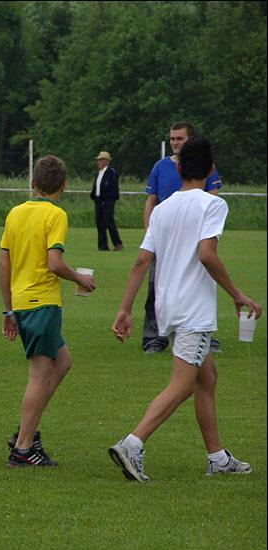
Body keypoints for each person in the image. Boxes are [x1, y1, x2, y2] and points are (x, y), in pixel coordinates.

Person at [108, 136, 261, 482]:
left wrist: (125, 309)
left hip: (168, 306)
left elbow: (141, 261)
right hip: (193, 310)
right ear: (211, 170)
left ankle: (217, 458)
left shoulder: (161, 209)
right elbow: (207, 254)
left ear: (177, 170)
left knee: (207, 377)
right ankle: (132, 443)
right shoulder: (213, 205)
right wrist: (237, 294)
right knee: (181, 386)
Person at [0, 155, 96, 467]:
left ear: (33, 183)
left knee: (62, 362)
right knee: (39, 374)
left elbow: (3, 262)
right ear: (63, 185)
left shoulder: (15, 213)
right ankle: (23, 449)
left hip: (22, 303)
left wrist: (8, 310)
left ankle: (25, 430)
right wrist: (79, 278)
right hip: (42, 303)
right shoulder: (56, 215)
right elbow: (54, 263)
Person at [142, 121, 222, 353]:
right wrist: (150, 234)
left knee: (201, 284)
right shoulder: (161, 166)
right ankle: (155, 336)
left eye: (180, 139)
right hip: (166, 237)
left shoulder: (206, 167)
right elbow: (150, 202)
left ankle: (204, 332)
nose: (175, 143)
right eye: (172, 139)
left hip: (195, 239)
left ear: (191, 140)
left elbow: (213, 197)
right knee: (155, 285)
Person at [90, 151, 123, 251]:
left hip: (108, 201)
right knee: (100, 223)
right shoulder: (98, 173)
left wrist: (108, 199)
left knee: (109, 222)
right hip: (98, 201)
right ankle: (102, 245)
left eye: (101, 160)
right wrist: (94, 196)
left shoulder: (111, 173)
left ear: (106, 161)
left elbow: (113, 188)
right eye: (98, 160)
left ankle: (117, 243)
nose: (98, 162)